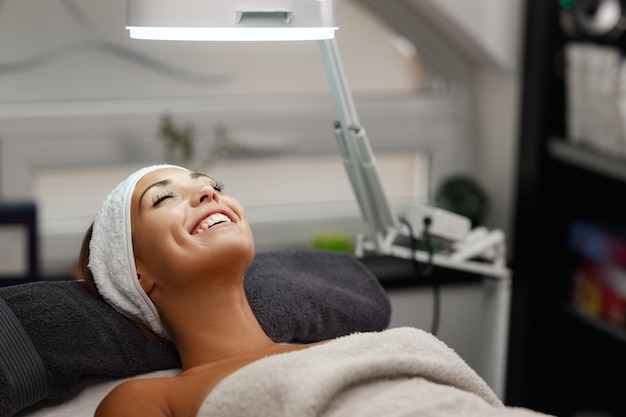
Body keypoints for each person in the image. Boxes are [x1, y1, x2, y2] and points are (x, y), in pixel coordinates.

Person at [78, 164, 552, 417]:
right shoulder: (148, 401)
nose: (208, 195)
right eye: (164, 197)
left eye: (211, 185)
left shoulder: (350, 348)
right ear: (137, 272)